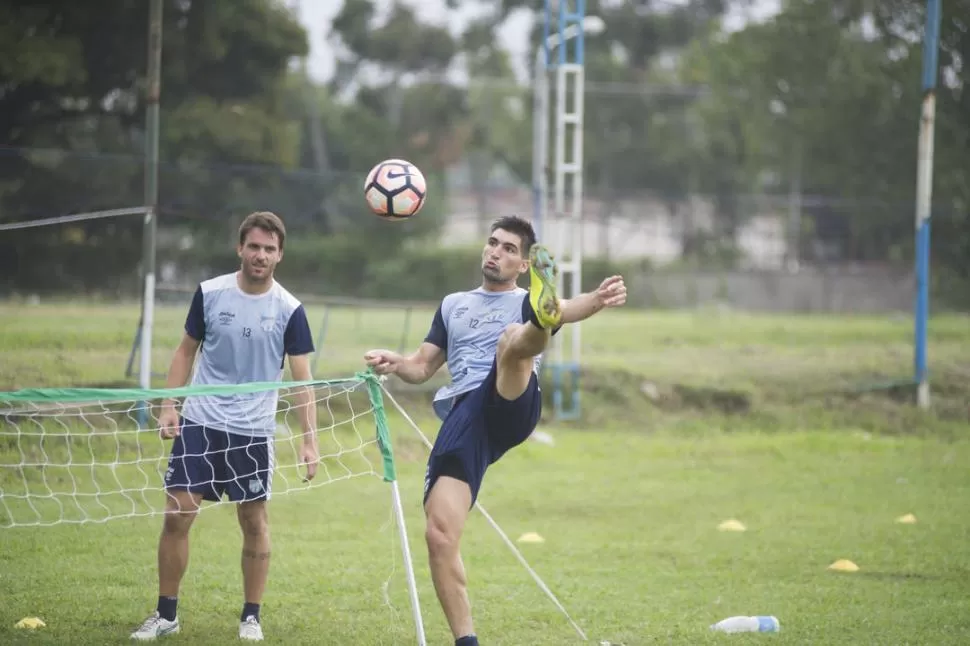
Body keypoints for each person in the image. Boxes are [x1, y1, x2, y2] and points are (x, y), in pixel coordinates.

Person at [363, 215, 626, 645]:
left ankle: (541, 322)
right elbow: (424, 365)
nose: (496, 252)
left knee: (512, 340)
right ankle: (467, 641)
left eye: (508, 249)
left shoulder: (522, 299)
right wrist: (396, 362)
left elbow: (569, 309)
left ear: (524, 265)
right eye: (493, 243)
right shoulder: (453, 305)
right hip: (467, 419)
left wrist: (594, 298)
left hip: (513, 397)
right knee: (438, 532)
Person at [130, 211, 319, 642]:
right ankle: (166, 615)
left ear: (280, 255)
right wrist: (169, 406)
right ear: (240, 248)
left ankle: (251, 616)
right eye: (254, 246)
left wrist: (310, 442)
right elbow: (184, 352)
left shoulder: (290, 310)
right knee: (178, 514)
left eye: (269, 249)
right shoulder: (210, 293)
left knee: (254, 521)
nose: (260, 255)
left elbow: (303, 381)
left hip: (252, 431)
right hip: (200, 420)